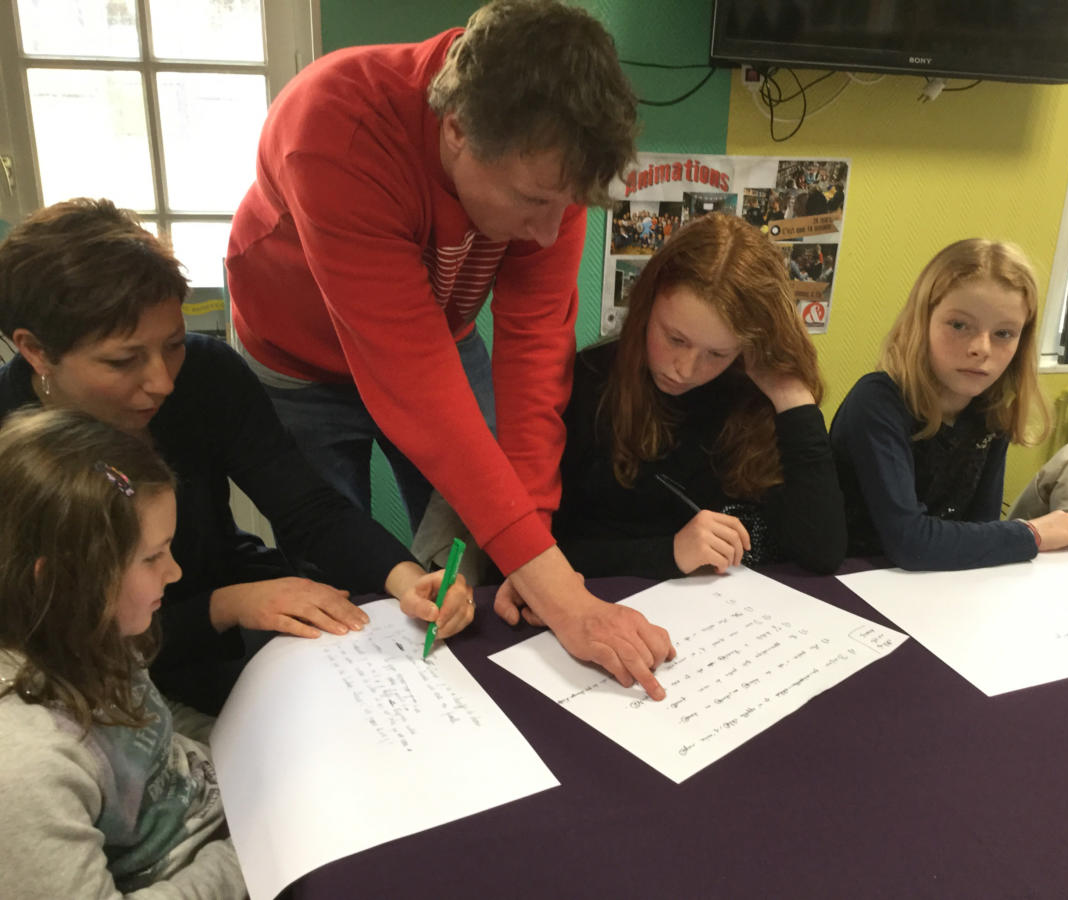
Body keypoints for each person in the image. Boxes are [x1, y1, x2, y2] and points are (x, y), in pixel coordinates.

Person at [225, 0, 673, 697]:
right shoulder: (335, 122)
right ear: (457, 129)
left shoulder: (549, 162)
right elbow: (416, 388)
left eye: (568, 205)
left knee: (480, 551)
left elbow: (535, 363)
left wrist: (531, 551)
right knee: (332, 567)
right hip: (297, 361)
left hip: (439, 334)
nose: (550, 233)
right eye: (533, 202)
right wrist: (563, 595)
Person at [0, 199, 473, 714]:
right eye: (123, 360)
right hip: (102, 670)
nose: (162, 382)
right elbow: (46, 640)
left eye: (174, 344)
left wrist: (407, 579)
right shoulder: (12, 445)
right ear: (36, 351)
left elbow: (308, 507)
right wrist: (224, 607)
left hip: (227, 608)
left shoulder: (208, 374)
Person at [0, 407, 246, 898]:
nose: (174, 573)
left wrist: (245, 749)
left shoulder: (84, 630)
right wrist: (253, 851)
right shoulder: (25, 766)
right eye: (152, 557)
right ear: (60, 580)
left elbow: (149, 727)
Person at [555, 214, 846, 579]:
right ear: (647, 304)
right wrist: (670, 552)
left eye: (717, 354)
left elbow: (823, 553)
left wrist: (793, 400)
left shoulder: (754, 393)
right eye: (675, 339)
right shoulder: (590, 384)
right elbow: (541, 556)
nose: (685, 369)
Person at [830, 238, 1068, 570]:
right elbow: (909, 542)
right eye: (959, 325)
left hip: (938, 583)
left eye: (1004, 333)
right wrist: (1030, 534)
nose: (981, 348)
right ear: (922, 322)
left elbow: (981, 528)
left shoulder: (992, 410)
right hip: (853, 581)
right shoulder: (876, 403)